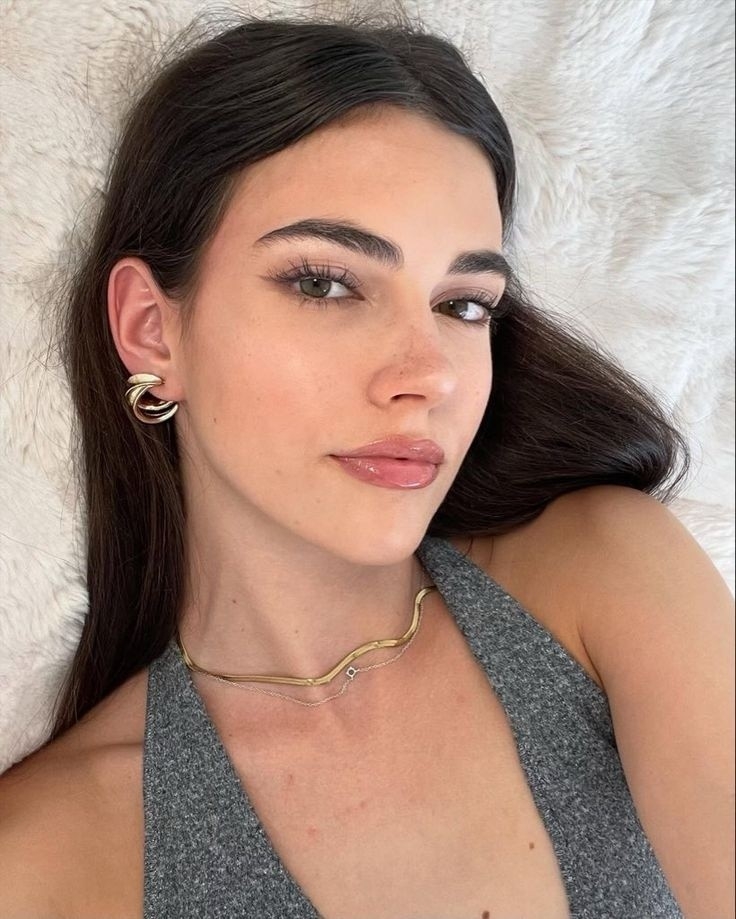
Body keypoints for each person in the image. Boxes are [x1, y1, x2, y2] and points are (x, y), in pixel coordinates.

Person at [0, 7, 733, 919]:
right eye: (325, 282)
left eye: (464, 304)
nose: (429, 375)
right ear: (153, 330)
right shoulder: (51, 858)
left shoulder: (602, 576)